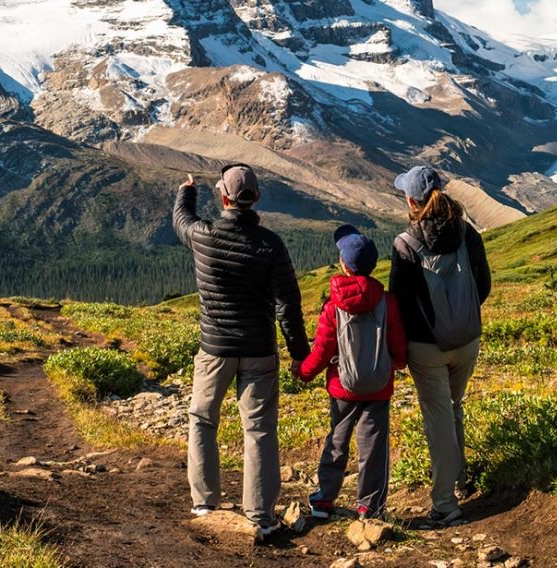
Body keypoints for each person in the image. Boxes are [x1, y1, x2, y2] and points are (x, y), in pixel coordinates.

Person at [173, 164, 310, 538]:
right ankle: (260, 513)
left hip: (215, 349)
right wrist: (299, 352)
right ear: (256, 198)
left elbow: (181, 221)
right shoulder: (271, 244)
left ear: (223, 197)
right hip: (259, 349)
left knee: (203, 419)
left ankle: (205, 502)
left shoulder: (203, 236)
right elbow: (288, 304)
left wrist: (187, 190)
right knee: (260, 428)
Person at [388, 166, 491, 525]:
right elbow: (483, 284)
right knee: (454, 406)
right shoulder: (467, 232)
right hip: (467, 341)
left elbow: (399, 302)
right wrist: (460, 317)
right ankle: (459, 480)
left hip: (427, 347)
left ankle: (445, 504)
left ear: (410, 201)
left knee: (439, 420)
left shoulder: (405, 243)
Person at [293, 225, 407, 521]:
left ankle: (324, 500)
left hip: (342, 387)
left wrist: (303, 372)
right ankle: (370, 506)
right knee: (373, 446)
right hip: (379, 385)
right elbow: (398, 344)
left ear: (343, 264)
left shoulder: (332, 307)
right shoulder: (388, 301)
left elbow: (322, 350)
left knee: (337, 440)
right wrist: (400, 362)